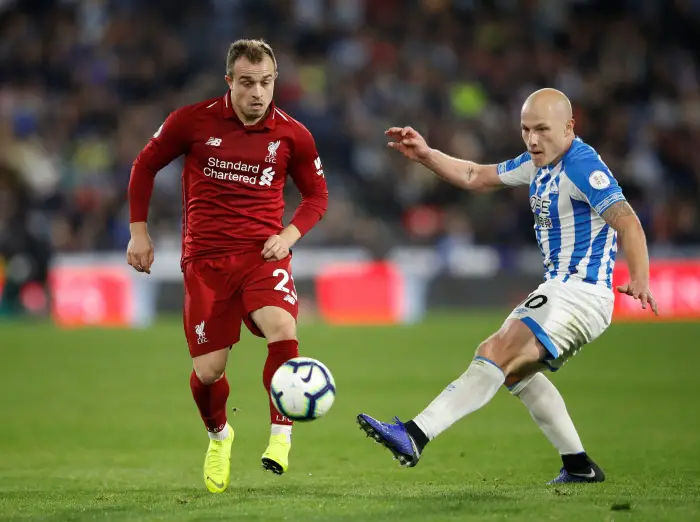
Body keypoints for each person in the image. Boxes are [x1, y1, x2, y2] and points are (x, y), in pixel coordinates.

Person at [357, 88, 658, 484]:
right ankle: (579, 466)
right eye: (525, 129)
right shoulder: (538, 162)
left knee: (494, 351)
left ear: (569, 127)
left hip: (578, 291)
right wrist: (427, 155)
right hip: (565, 290)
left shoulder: (582, 165)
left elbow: (628, 220)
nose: (533, 139)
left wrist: (639, 277)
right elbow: (475, 176)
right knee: (516, 373)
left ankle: (414, 434)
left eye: (543, 130)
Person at [127, 39, 328, 493]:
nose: (258, 93)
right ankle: (220, 436)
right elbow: (144, 165)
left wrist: (289, 235)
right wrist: (139, 231)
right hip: (205, 263)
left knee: (283, 328)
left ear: (275, 81)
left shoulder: (293, 134)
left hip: (262, 256)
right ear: (229, 82)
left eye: (266, 83)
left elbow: (317, 195)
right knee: (209, 372)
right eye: (247, 83)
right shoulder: (191, 121)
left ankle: (281, 436)